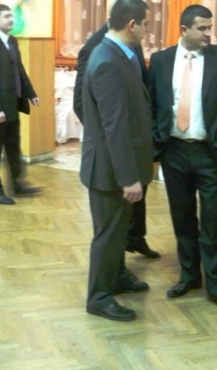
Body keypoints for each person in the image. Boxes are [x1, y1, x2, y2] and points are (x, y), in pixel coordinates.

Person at [148, 4, 217, 313]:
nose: (208, 33)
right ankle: (190, 276)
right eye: (202, 28)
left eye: (209, 28)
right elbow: (152, 104)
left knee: (214, 221)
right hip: (174, 152)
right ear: (184, 30)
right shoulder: (161, 61)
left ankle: (216, 285)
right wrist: (157, 142)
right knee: (183, 218)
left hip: (210, 153)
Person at [80, 0, 154, 322]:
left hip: (113, 166)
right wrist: (128, 177)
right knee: (108, 235)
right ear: (132, 25)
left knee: (116, 231)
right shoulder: (108, 61)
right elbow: (114, 127)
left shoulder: (116, 53)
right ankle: (99, 297)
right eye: (146, 24)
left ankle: (117, 278)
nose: (147, 30)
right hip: (109, 170)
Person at [73, 21, 160, 259]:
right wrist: (105, 138)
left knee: (135, 202)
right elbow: (82, 102)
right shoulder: (97, 48)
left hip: (134, 143)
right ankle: (114, 271)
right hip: (113, 147)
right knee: (111, 223)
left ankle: (135, 239)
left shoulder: (131, 44)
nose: (146, 29)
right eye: (144, 22)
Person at [0, 4, 40, 205]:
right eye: (6, 17)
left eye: (11, 16)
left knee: (13, 147)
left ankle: (17, 184)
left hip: (13, 105)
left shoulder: (12, 41)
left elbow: (19, 69)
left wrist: (30, 93)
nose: (11, 19)